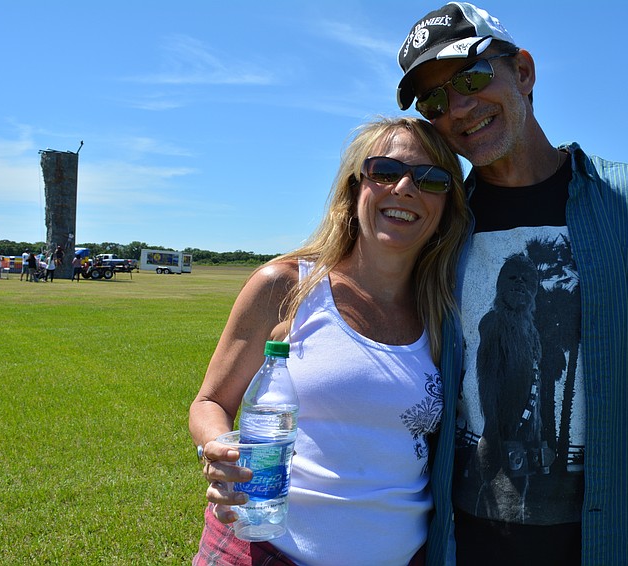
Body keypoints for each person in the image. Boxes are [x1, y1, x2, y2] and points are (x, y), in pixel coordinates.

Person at [395, 4, 628, 565]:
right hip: (461, 546)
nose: (458, 108)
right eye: (434, 101)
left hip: (609, 546)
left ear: (523, 72)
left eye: (471, 78)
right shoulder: (439, 225)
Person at [189, 116, 469, 566]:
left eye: (431, 179)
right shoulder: (285, 285)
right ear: (355, 187)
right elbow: (210, 402)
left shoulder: (445, 313)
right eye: (384, 171)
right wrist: (219, 451)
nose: (404, 188)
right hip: (263, 552)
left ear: (446, 207)